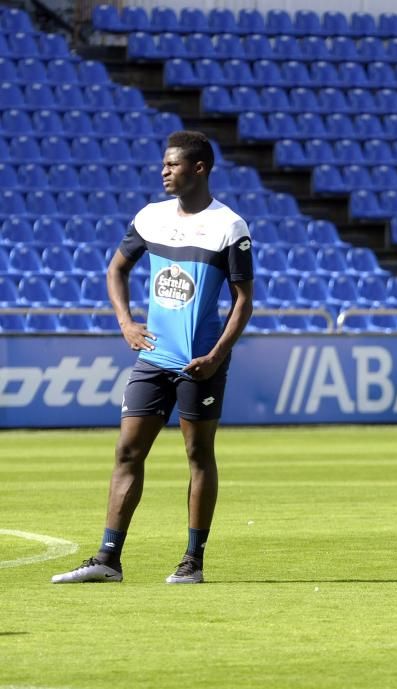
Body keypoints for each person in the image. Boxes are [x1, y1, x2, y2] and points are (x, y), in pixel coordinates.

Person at [52, 131, 254, 584]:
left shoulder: (229, 226)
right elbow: (116, 270)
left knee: (198, 454)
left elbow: (244, 301)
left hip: (199, 362)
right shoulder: (150, 217)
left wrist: (218, 354)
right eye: (163, 165)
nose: (164, 171)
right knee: (127, 450)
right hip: (153, 359)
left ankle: (192, 561)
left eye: (173, 165)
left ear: (199, 168)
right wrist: (126, 323)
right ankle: (107, 559)